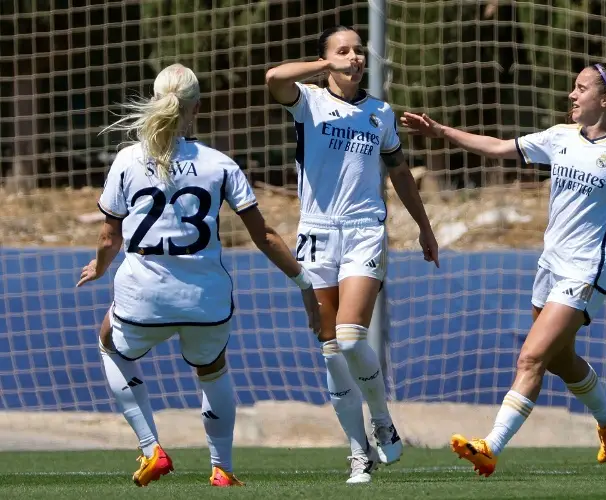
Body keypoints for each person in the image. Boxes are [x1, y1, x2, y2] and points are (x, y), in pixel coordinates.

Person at [402, 62, 606, 475]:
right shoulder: (560, 137)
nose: (571, 95)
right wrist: (442, 132)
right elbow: (497, 147)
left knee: (531, 357)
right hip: (550, 264)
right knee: (559, 359)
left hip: (586, 271)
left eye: (580, 88)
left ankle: (490, 446)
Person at [77, 63, 320, 487]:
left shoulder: (128, 160)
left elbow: (108, 235)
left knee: (110, 344)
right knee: (212, 370)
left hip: (143, 296)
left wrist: (99, 267)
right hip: (205, 299)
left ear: (156, 103)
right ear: (197, 108)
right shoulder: (219, 164)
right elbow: (263, 234)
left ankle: (152, 448)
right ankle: (222, 469)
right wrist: (303, 282)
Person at [265, 25, 439, 483]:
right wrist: (325, 65)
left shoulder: (380, 113)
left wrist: (424, 227)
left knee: (348, 339)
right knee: (329, 350)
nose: (354, 57)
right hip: (317, 234)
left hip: (364, 232)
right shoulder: (307, 101)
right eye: (343, 50)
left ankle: (381, 419)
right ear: (326, 59)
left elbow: (400, 174)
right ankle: (357, 450)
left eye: (358, 50)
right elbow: (273, 78)